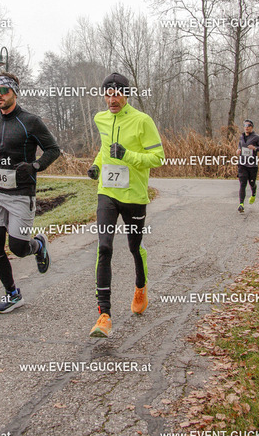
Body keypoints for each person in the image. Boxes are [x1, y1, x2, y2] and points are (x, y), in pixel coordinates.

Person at [0, 73, 60, 313]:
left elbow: (53, 149)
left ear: (15, 93)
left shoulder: (31, 121)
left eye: (4, 90)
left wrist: (35, 166)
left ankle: (38, 245)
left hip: (21, 193)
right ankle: (12, 293)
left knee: (18, 248)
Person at [87, 72, 165, 338]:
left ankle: (141, 287)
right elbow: (104, 149)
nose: (112, 100)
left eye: (117, 94)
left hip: (134, 196)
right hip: (107, 192)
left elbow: (158, 157)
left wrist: (127, 155)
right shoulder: (100, 118)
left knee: (134, 247)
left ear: (126, 95)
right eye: (107, 94)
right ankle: (104, 315)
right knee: (104, 247)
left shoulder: (142, 121)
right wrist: (96, 166)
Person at [236, 119, 259, 213]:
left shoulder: (256, 138)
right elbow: (240, 146)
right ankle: (241, 204)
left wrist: (255, 148)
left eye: (248, 125)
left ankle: (253, 194)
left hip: (252, 165)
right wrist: (238, 150)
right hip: (242, 164)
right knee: (243, 183)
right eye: (245, 125)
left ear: (252, 127)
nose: (246, 127)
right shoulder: (241, 137)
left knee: (251, 183)